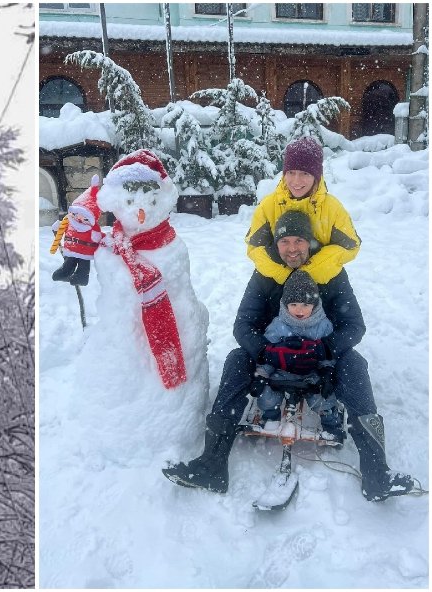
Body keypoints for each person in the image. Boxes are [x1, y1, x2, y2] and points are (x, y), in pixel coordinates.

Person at [163, 211, 417, 502]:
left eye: (299, 240)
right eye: (285, 241)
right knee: (236, 359)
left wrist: (324, 349)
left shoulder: (331, 273)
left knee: (355, 364)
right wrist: (266, 352)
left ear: (309, 242)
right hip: (272, 358)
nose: (292, 248)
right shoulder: (265, 273)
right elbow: (243, 324)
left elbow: (354, 325)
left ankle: (377, 475)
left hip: (320, 360)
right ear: (276, 244)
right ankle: (212, 465)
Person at [246, 136, 361, 286]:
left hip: (321, 279)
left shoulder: (332, 208)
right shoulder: (268, 206)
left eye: (304, 173)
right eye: (291, 172)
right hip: (277, 277)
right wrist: (285, 275)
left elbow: (351, 246)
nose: (296, 181)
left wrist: (309, 272)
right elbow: (255, 248)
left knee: (348, 309)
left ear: (316, 176)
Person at [249, 266, 343, 443]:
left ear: (314, 305)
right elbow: (267, 355)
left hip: (311, 374)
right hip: (281, 373)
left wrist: (327, 373)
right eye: (293, 305)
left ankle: (331, 422)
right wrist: (261, 375)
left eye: (306, 305)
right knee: (266, 395)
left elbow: (327, 356)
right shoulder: (278, 325)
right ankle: (271, 415)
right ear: (285, 305)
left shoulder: (322, 326)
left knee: (321, 397)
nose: (299, 310)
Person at [51, 185, 103, 287]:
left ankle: (82, 277)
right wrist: (57, 227)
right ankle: (65, 272)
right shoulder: (69, 222)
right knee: (69, 262)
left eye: (85, 218)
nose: (78, 218)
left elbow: (99, 237)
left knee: (83, 265)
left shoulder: (92, 228)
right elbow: (62, 228)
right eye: (75, 214)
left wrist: (104, 239)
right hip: (71, 250)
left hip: (85, 252)